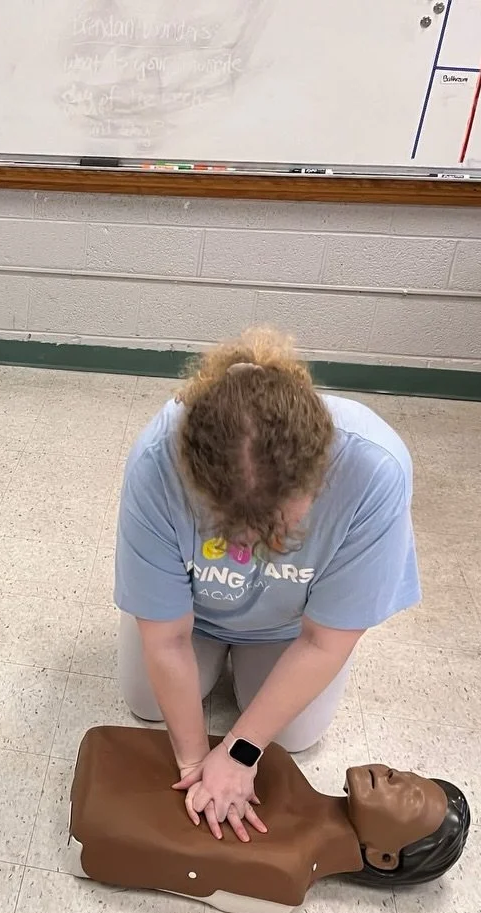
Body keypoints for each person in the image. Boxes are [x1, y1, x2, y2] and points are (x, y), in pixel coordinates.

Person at [115, 327, 419, 845]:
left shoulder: (375, 471)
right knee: (146, 706)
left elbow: (326, 640)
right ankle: (215, 662)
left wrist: (240, 750)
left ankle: (246, 676)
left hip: (293, 626)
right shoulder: (156, 462)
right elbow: (165, 638)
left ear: (319, 473)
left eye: (275, 521)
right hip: (192, 612)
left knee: (296, 739)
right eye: (232, 522)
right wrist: (193, 761)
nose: (253, 540)